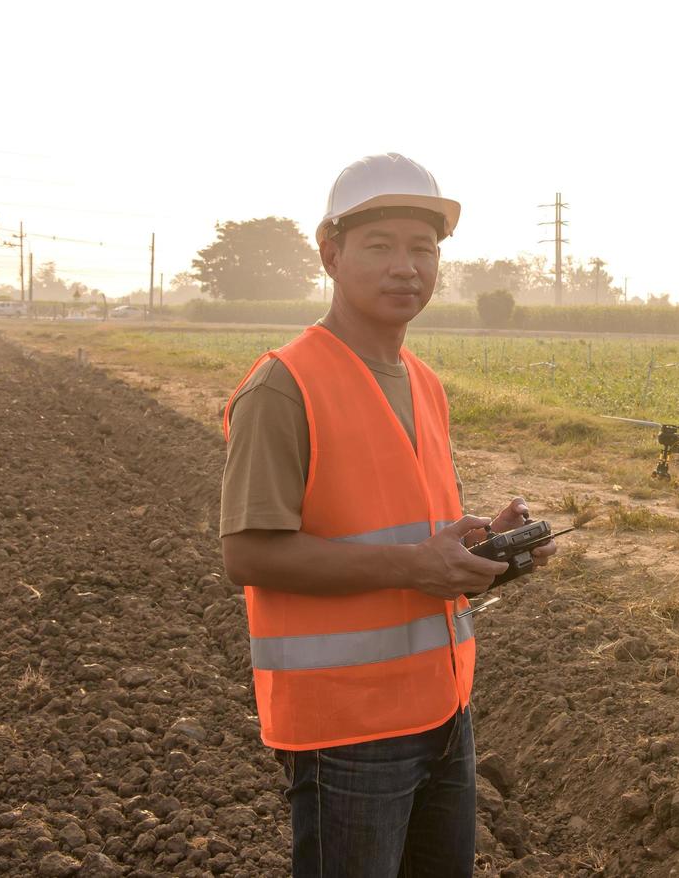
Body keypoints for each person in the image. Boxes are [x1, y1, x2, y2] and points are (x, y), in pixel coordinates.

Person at [218, 153, 556, 877]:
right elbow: (248, 554)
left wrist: (481, 550)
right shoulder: (284, 384)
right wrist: (418, 564)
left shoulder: (425, 383)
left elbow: (412, 537)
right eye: (380, 246)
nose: (406, 267)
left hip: (443, 713)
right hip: (346, 732)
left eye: (423, 248)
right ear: (331, 254)